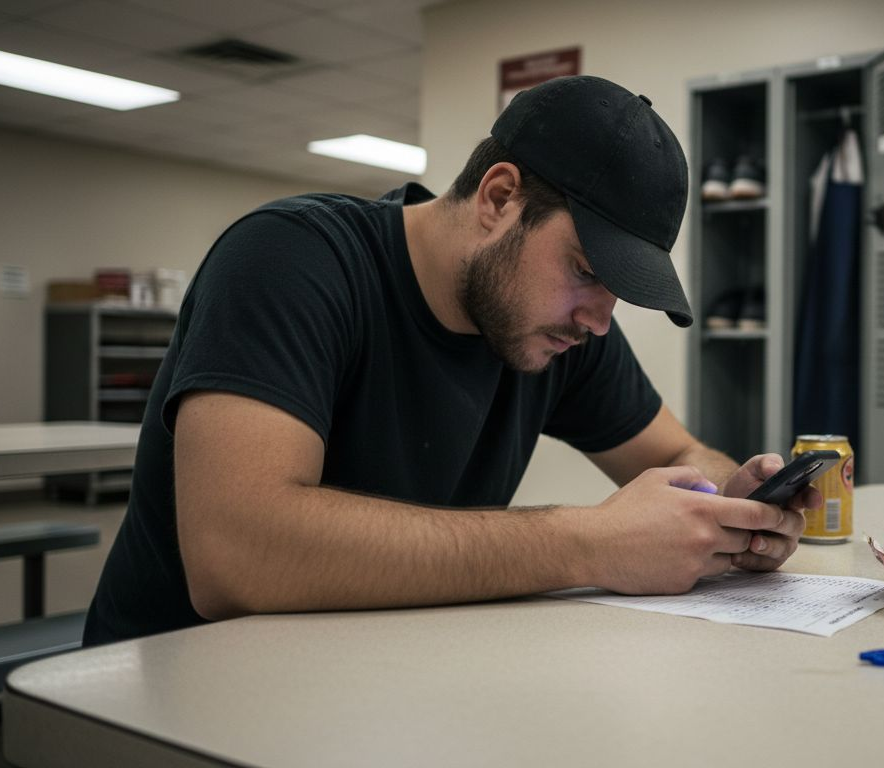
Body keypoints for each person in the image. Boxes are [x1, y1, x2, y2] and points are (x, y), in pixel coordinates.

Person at [83, 75, 814, 646]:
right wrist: (589, 543)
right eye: (589, 272)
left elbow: (680, 452)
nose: (599, 319)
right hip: (177, 697)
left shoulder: (563, 330)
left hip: (375, 690)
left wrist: (738, 500)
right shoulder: (288, 260)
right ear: (499, 197)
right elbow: (237, 554)